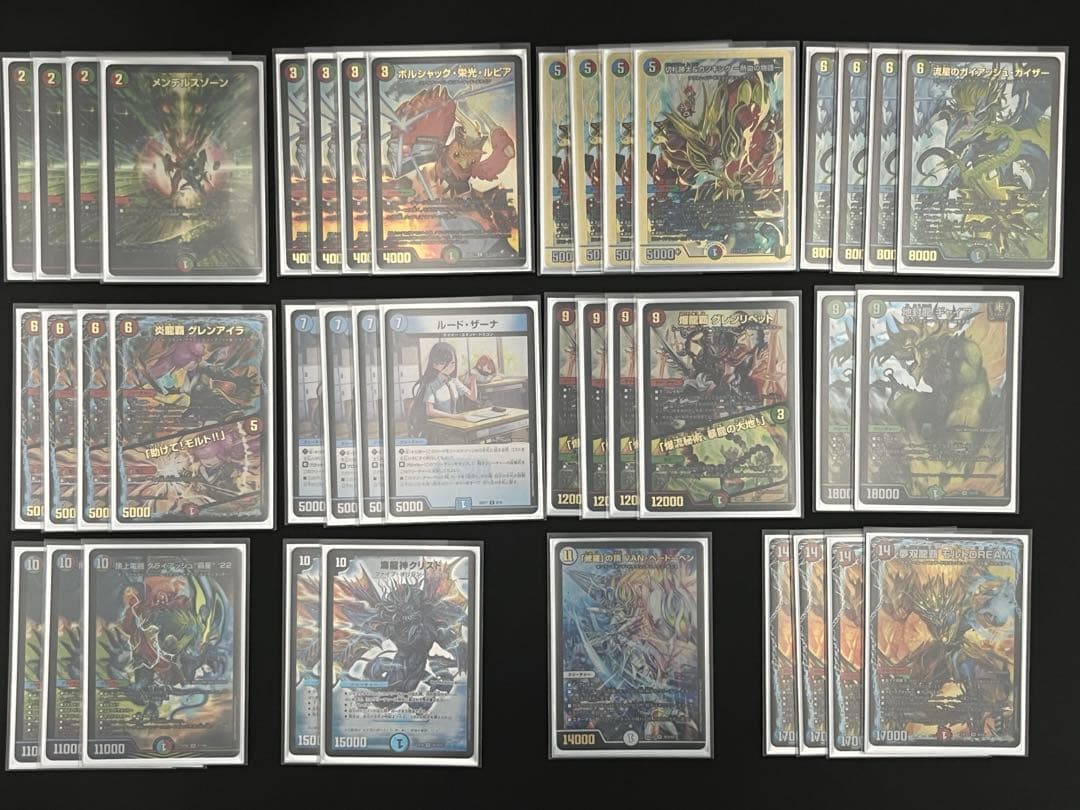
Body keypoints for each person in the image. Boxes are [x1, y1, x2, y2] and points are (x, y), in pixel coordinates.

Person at [407, 342, 480, 438]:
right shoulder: (431, 384)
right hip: (438, 428)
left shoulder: (454, 381)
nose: (450, 367)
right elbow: (430, 411)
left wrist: (473, 381)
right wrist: (454, 417)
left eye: (453, 363)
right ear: (434, 364)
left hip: (455, 424)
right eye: (445, 363)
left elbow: (473, 397)